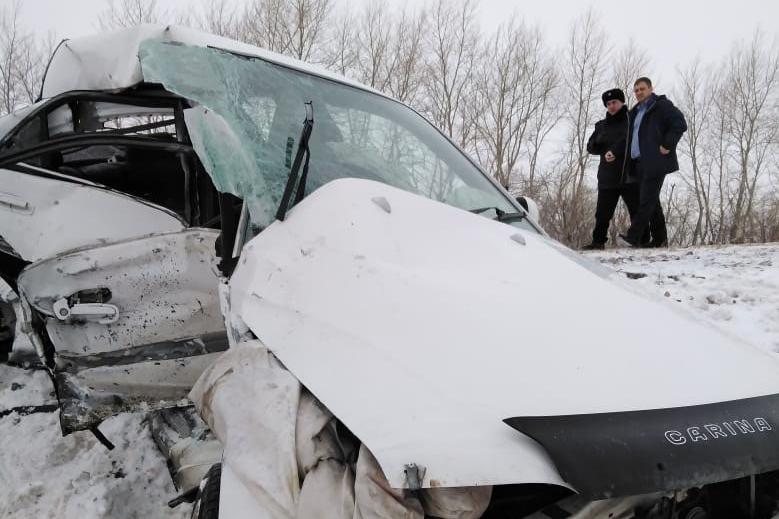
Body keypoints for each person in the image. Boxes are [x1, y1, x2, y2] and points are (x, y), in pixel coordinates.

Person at [619, 77, 687, 248]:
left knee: (646, 200)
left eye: (642, 89)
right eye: (636, 90)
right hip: (638, 163)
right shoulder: (634, 111)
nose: (639, 92)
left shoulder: (661, 105)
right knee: (652, 201)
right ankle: (660, 239)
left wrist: (667, 145)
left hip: (655, 161)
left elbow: (680, 123)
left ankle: (634, 236)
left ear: (650, 89)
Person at [582, 88, 644, 250]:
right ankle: (598, 242)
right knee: (602, 213)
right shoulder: (601, 125)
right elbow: (590, 147)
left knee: (636, 210)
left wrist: (615, 151)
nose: (611, 106)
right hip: (607, 176)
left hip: (628, 174)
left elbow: (633, 142)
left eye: (614, 102)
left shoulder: (632, 121)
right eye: (608, 103)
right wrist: (598, 143)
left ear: (622, 102)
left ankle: (642, 240)